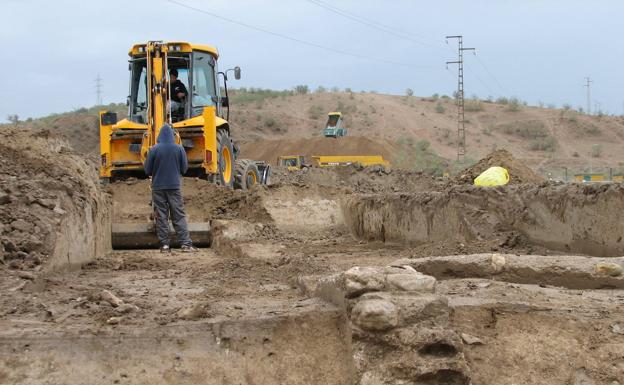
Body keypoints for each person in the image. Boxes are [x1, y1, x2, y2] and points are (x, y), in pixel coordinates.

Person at [144, 124, 197, 253]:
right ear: (173, 135)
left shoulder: (153, 149)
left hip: (158, 188)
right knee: (178, 215)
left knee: (161, 216)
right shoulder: (179, 149)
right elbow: (184, 169)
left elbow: (147, 170)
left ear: (159, 136)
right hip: (174, 187)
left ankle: (165, 246)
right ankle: (185, 244)